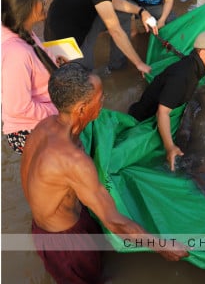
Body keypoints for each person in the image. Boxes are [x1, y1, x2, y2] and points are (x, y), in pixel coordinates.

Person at [21, 63, 188, 284]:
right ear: (81, 108)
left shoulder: (44, 126)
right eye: (100, 97)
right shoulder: (73, 160)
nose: (104, 101)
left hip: (53, 223)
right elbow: (114, 221)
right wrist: (161, 246)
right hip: (66, 242)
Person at [128, 30, 205, 171]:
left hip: (165, 107)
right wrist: (169, 147)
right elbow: (162, 113)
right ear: (203, 54)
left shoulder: (194, 62)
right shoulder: (182, 77)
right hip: (145, 120)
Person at [1, 0, 58, 154]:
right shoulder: (15, 53)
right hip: (29, 130)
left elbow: (35, 56)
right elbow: (19, 108)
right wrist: (60, 111)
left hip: (44, 114)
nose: (44, 0)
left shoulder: (23, 30)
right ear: (24, 6)